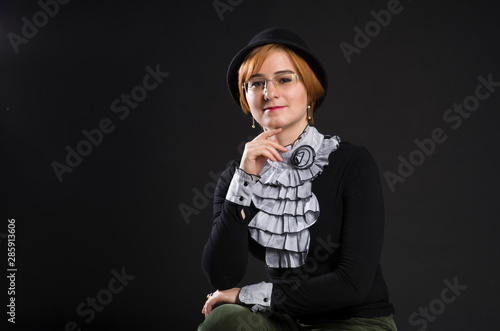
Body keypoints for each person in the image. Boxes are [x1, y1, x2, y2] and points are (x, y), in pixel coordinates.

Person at [198, 28, 397, 331]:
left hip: (356, 320)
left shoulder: (352, 163)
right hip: (284, 320)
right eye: (256, 84)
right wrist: (245, 180)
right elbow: (222, 277)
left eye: (284, 79)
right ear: (246, 99)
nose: (269, 93)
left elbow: (351, 282)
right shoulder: (237, 176)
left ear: (310, 90)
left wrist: (249, 295)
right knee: (223, 321)